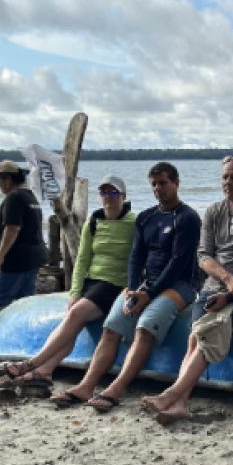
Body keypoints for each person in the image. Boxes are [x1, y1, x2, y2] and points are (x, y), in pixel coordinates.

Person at [51, 162, 201, 412]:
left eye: (163, 183)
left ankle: (115, 389)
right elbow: (136, 257)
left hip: (180, 285)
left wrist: (148, 294)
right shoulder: (146, 217)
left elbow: (178, 262)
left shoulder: (188, 218)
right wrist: (133, 289)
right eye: (154, 184)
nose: (158, 189)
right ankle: (87, 385)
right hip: (145, 285)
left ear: (176, 183)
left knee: (144, 328)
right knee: (112, 327)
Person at [142, 156, 233, 425]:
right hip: (214, 287)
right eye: (225, 177)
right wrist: (227, 280)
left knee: (206, 331)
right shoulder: (215, 211)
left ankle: (173, 393)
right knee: (195, 338)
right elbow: (204, 255)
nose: (228, 182)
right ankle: (180, 403)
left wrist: (232, 293)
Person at [0, 175, 135, 389]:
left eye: (114, 192)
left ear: (123, 196)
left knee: (74, 315)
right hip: (92, 282)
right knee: (71, 321)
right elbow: (82, 259)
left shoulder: (134, 222)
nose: (108, 197)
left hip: (114, 284)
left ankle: (31, 364)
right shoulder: (94, 221)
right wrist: (75, 291)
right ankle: (45, 371)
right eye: (104, 192)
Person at [0, 160, 47, 314]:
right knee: (25, 302)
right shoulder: (30, 197)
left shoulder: (13, 198)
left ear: (8, 179)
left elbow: (12, 228)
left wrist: (0, 256)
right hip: (33, 258)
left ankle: (1, 336)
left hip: (14, 260)